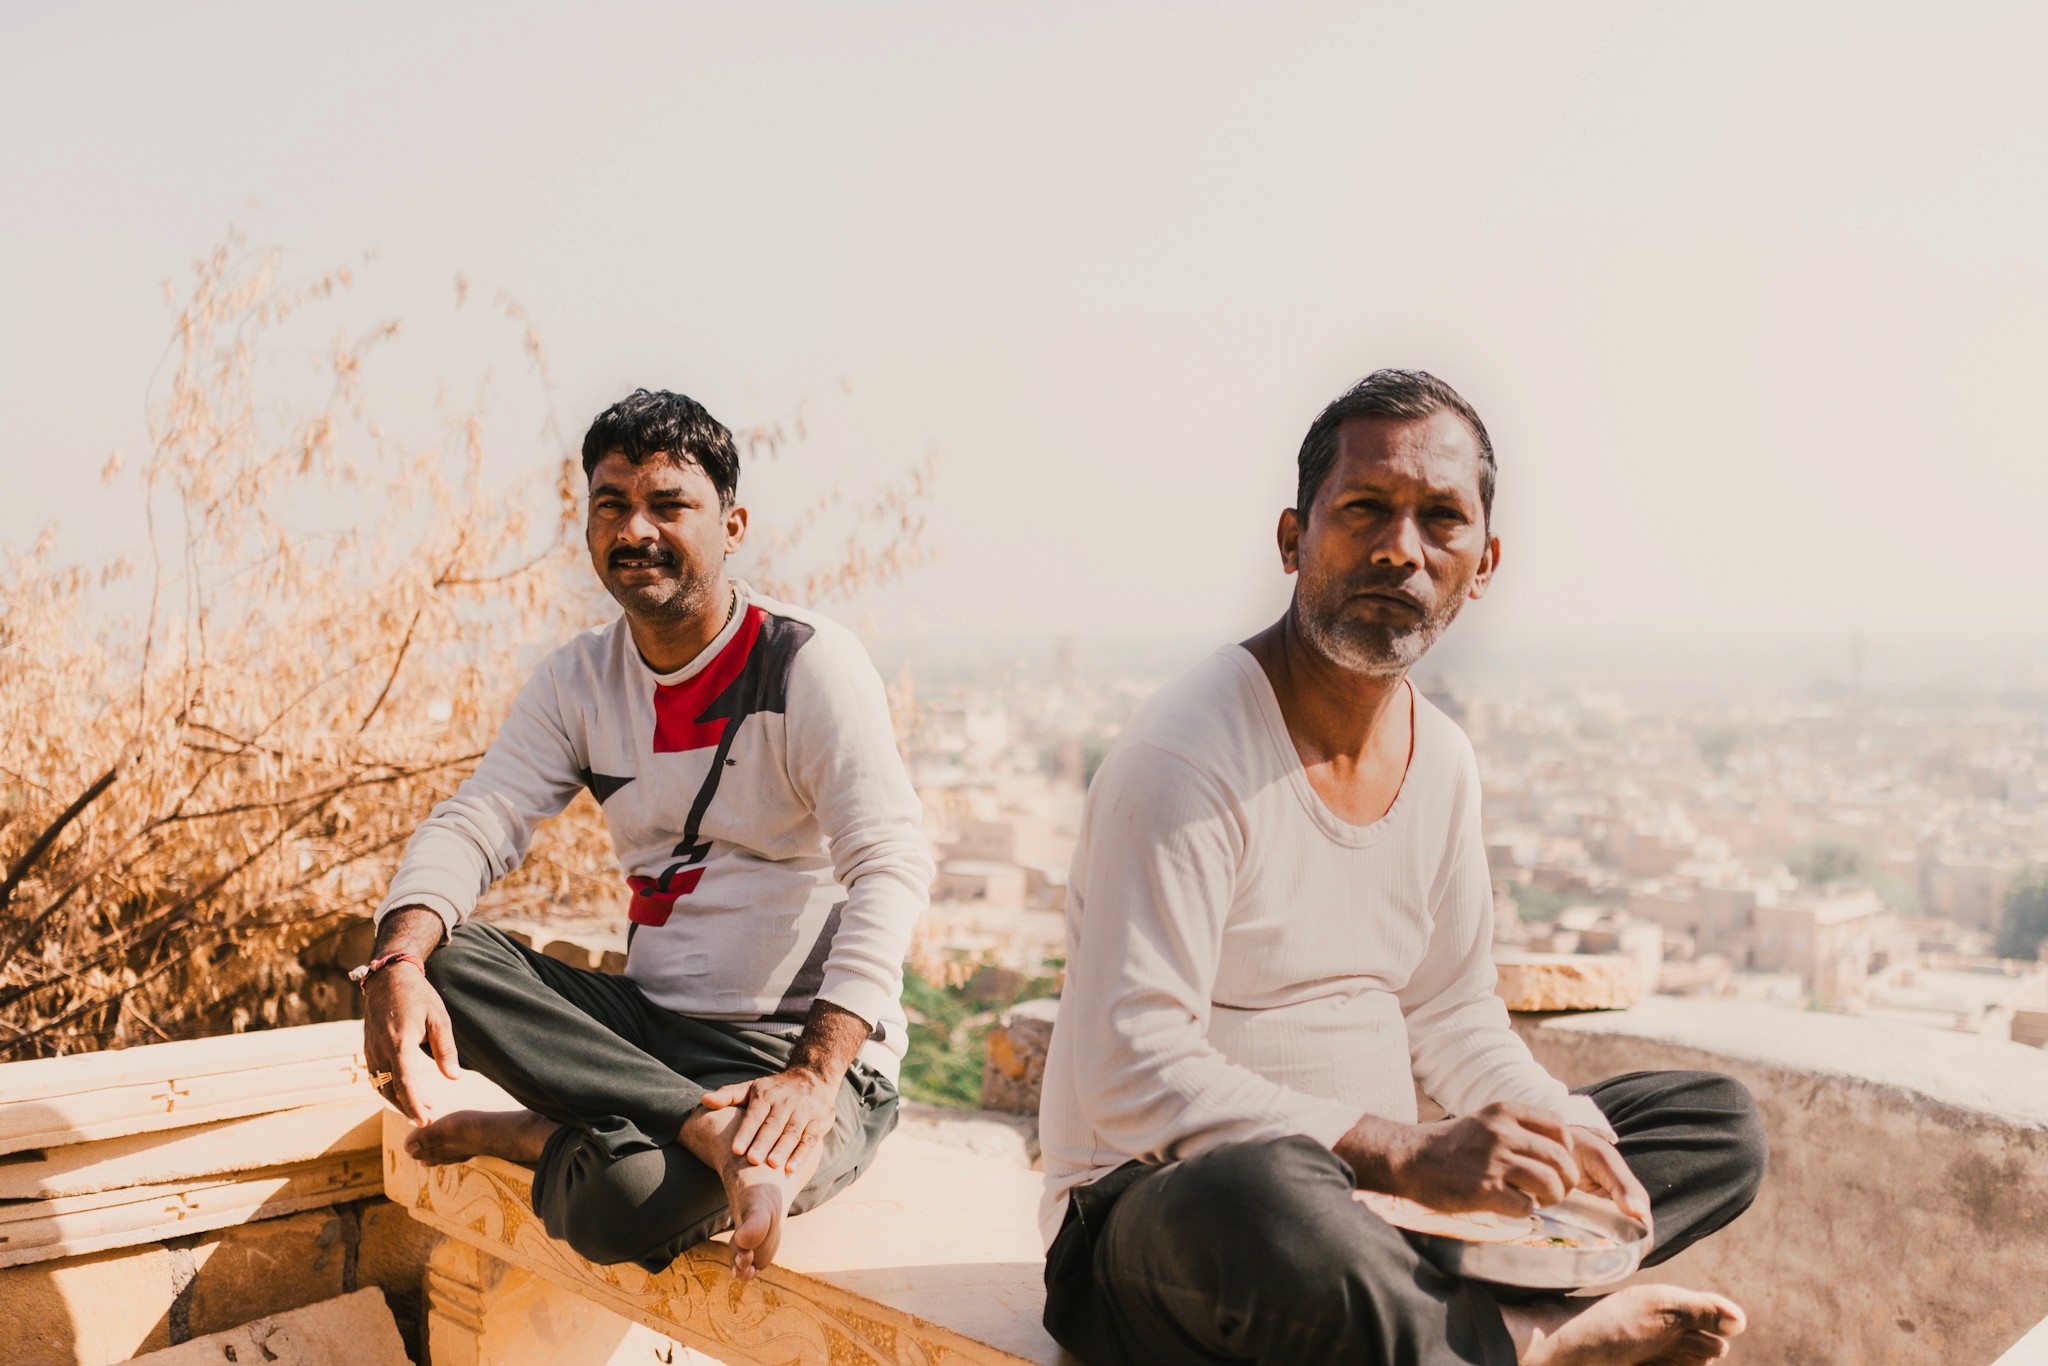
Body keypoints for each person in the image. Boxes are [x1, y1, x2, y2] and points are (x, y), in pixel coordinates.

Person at [1037, 370, 1767, 1366]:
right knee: (1260, 1192)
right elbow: (1128, 1071)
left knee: (1710, 1124)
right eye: (1365, 510)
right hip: (1164, 1223)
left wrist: (1559, 1136)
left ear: (1484, 562)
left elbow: (1453, 1018)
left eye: (1439, 520)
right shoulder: (1185, 752)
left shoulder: (1445, 763)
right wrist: (1403, 1150)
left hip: (1379, 1215)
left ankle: (1472, 1315)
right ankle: (1521, 1337)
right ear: (1293, 538)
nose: (1398, 549)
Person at [359, 388, 932, 1282]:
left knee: (615, 1204)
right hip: (650, 1036)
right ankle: (699, 1125)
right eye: (612, 506)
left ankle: (543, 1132)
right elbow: (477, 821)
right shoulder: (578, 679)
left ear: (732, 524)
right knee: (444, 955)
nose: (636, 531)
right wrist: (395, 963)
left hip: (787, 1052)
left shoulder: (807, 663)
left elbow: (891, 865)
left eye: (669, 505)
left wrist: (815, 1078)